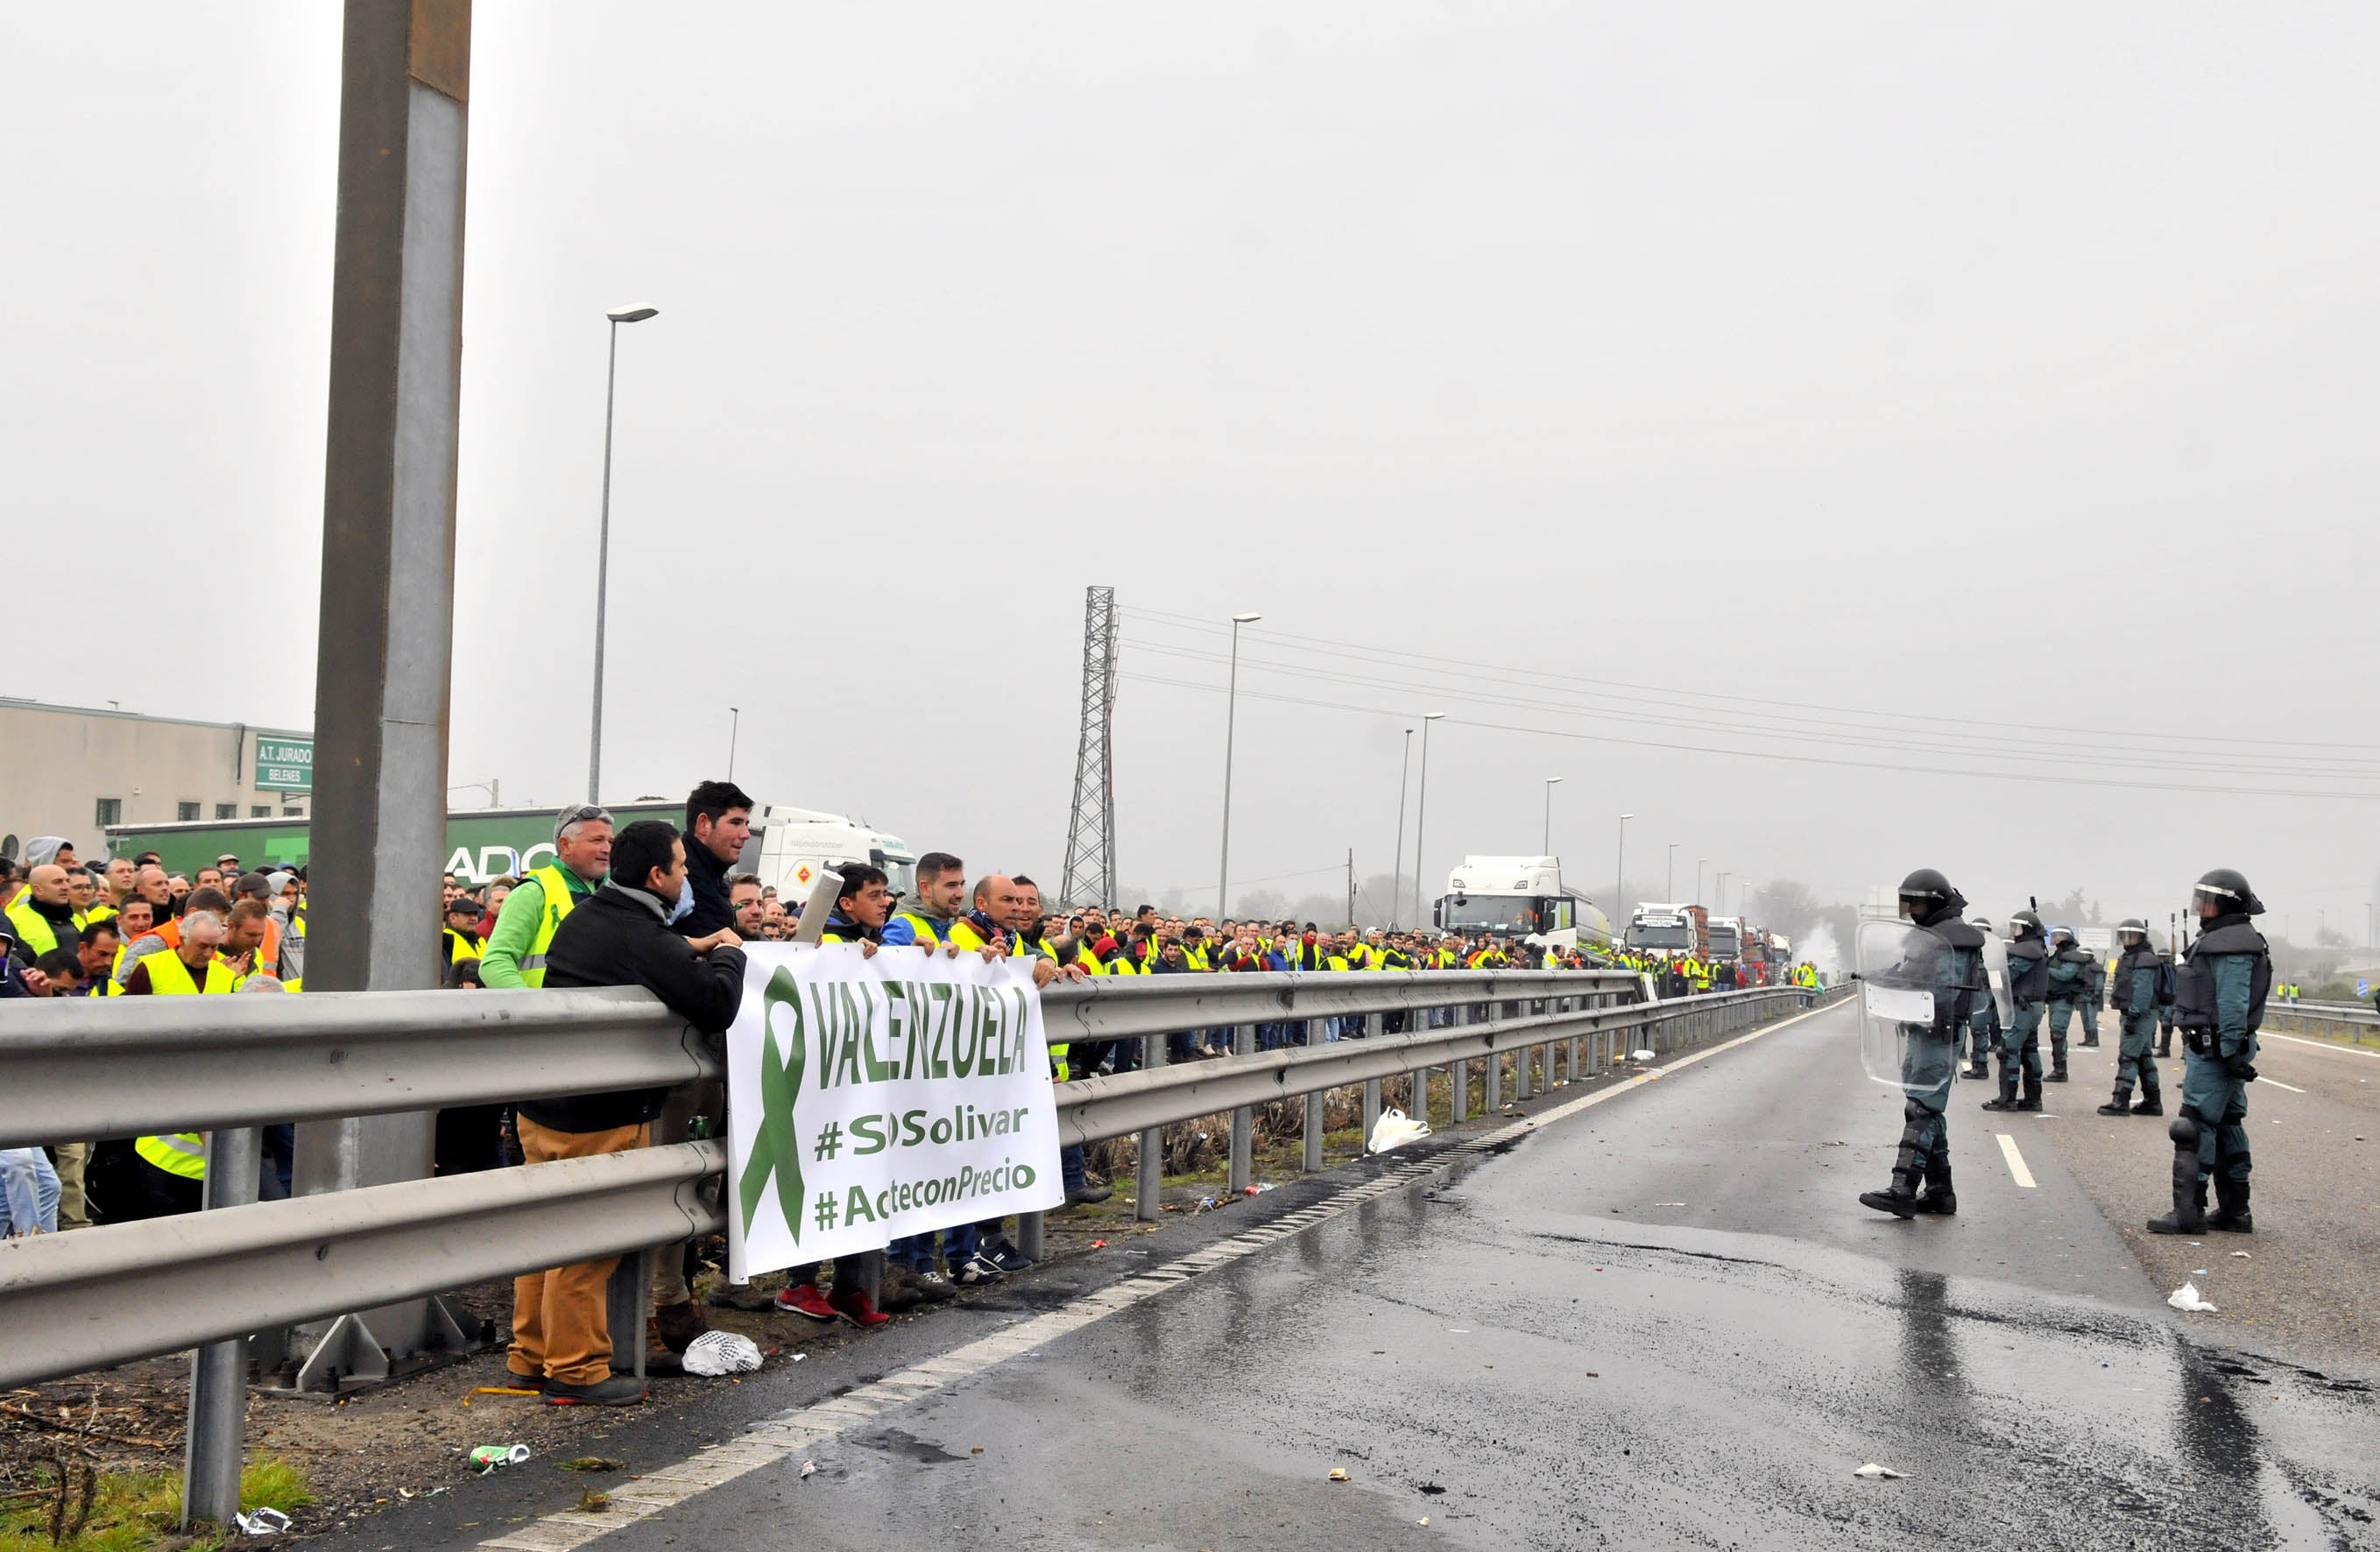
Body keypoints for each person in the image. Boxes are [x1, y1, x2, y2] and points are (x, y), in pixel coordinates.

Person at [508, 819, 745, 1405]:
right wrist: (730, 958)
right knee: (588, 1243)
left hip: (542, 1102)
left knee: (544, 1234)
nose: (687, 877)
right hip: (597, 1114)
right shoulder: (644, 938)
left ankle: (529, 1358)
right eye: (681, 868)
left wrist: (691, 947)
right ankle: (577, 1371)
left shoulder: (592, 915)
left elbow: (647, 957)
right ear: (657, 875)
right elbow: (715, 1005)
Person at [2148, 871, 2271, 1236]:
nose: (2201, 907)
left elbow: (2232, 1002)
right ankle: (2235, 1210)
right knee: (2228, 1123)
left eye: (2208, 900)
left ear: (2227, 903)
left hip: (2216, 1046)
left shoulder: (2230, 943)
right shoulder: (2232, 938)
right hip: (2223, 1044)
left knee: (2194, 1125)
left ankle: (2188, 1213)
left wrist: (2230, 1051)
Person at [1860, 870, 1985, 1217]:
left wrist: (1907, 992)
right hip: (1923, 1030)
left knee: (1923, 1109)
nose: (1911, 910)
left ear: (1933, 901)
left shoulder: (1956, 939)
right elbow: (1914, 974)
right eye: (1908, 902)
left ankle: (1903, 1189)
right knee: (1924, 1106)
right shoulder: (1930, 936)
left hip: (1940, 1033)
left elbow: (1942, 992)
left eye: (1916, 902)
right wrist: (1884, 978)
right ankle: (1941, 1193)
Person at [481, 805, 612, 988]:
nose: (607, 849)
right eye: (597, 840)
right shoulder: (533, 892)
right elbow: (494, 964)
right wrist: (535, 1010)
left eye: (610, 841)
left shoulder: (614, 893)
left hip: (604, 1012)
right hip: (552, 1014)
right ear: (565, 845)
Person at [2097, 919, 2172, 1119]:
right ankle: (2152, 1102)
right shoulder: (2132, 957)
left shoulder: (2144, 959)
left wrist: (2134, 1015)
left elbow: (2142, 991)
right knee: (2143, 1057)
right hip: (2137, 1013)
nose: (2128, 940)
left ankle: (2120, 1101)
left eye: (2132, 936)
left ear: (2141, 937)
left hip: (2139, 1014)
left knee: (2128, 1056)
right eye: (2124, 936)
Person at [1981, 909, 2050, 1113]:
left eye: (2016, 927)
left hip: (2023, 1007)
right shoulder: (2035, 947)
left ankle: (2007, 1098)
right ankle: (2032, 1099)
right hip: (2030, 1006)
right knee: (2029, 1050)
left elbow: (2008, 976)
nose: (2013, 930)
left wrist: (1987, 978)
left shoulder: (2026, 950)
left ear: (2026, 928)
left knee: (2008, 1050)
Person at [677, 780, 754, 938]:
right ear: (703, 824)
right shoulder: (680, 881)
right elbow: (651, 938)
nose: (746, 834)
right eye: (736, 822)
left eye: (746, 824)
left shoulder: (713, 878)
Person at [4, 864, 81, 969]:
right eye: (57, 882)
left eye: (67, 881)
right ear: (38, 889)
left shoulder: (78, 920)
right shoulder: (12, 919)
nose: (66, 887)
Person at [2043, 926, 2089, 1083]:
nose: (2056, 939)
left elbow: (2065, 975)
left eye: (2060, 936)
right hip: (2055, 997)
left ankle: (2060, 1070)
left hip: (2064, 998)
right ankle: (2058, 1069)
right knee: (2055, 1032)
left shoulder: (2072, 956)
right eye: (2055, 935)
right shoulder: (2060, 954)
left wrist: (2047, 969)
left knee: (2058, 1033)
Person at [1963, 916, 2002, 1078]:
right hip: (1971, 993)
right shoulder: (1970, 950)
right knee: (1974, 1030)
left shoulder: (1992, 954)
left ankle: (1980, 1066)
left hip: (1983, 994)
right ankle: (1975, 1064)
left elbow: (1997, 978)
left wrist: (1996, 998)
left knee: (1979, 1030)